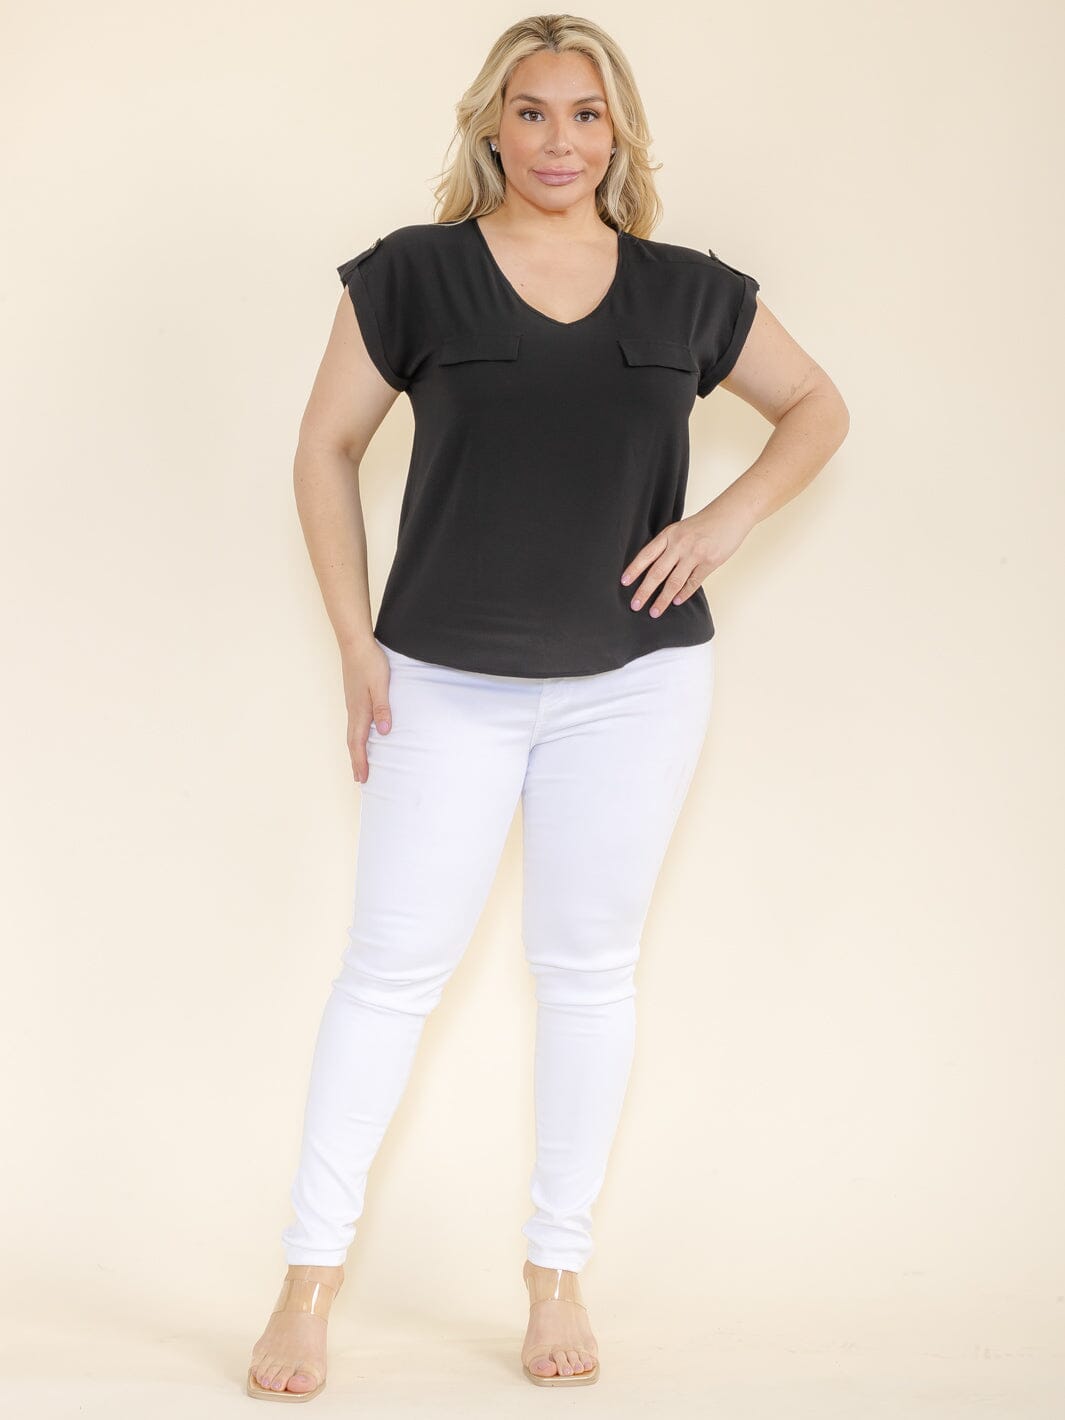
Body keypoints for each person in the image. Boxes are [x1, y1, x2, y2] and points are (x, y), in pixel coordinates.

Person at [247, 12, 849, 1401]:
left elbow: (816, 405)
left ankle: (555, 1272)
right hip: (441, 680)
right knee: (389, 974)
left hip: (636, 686)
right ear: (491, 125)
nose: (558, 140)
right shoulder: (413, 275)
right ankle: (307, 1280)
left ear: (617, 131)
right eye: (531, 112)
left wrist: (725, 522)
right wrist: (354, 643)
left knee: (587, 974)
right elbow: (325, 446)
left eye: (585, 113)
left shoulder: (687, 292)